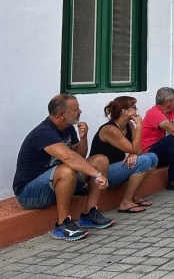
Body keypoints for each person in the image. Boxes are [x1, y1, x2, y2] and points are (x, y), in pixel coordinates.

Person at [13, 94, 113, 241]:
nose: (80, 112)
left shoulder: (68, 128)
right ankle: (62, 224)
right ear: (62, 114)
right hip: (30, 194)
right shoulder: (44, 132)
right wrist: (96, 175)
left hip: (56, 185)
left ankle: (89, 214)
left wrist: (84, 138)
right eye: (76, 109)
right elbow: (68, 158)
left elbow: (79, 155)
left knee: (100, 160)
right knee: (67, 169)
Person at [89, 96, 158, 213]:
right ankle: (126, 202)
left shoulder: (128, 125)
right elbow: (135, 150)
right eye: (134, 107)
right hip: (102, 175)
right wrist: (140, 126)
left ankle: (134, 196)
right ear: (124, 111)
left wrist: (132, 153)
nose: (137, 110)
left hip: (117, 168)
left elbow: (138, 150)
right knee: (144, 161)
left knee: (153, 157)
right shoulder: (110, 129)